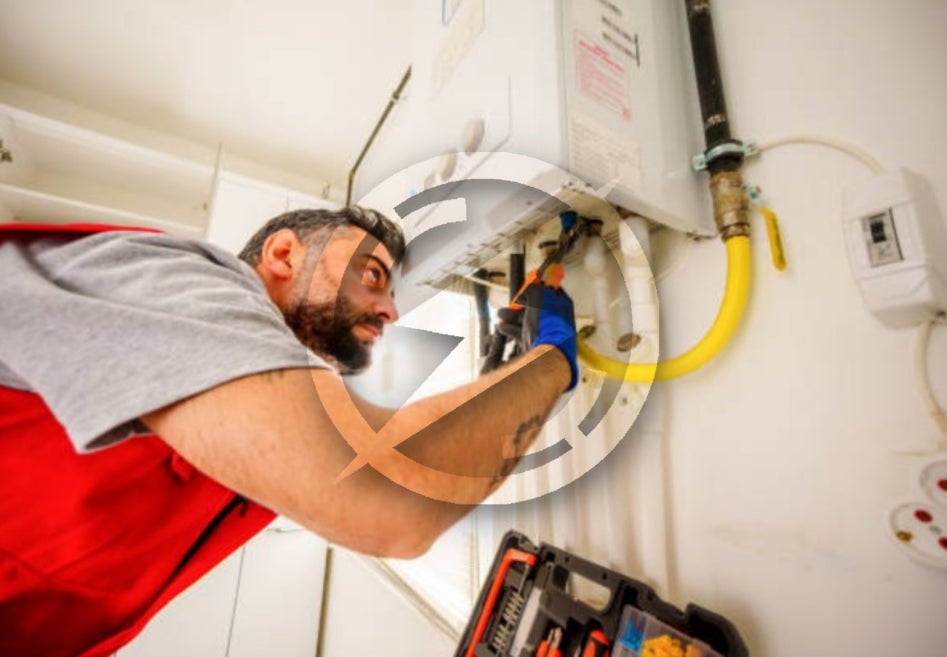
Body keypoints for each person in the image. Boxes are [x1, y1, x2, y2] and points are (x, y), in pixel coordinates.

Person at [0, 206, 577, 656]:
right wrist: (553, 360)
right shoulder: (170, 277)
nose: (390, 311)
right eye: (372, 275)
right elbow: (394, 493)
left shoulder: (259, 404)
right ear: (282, 253)